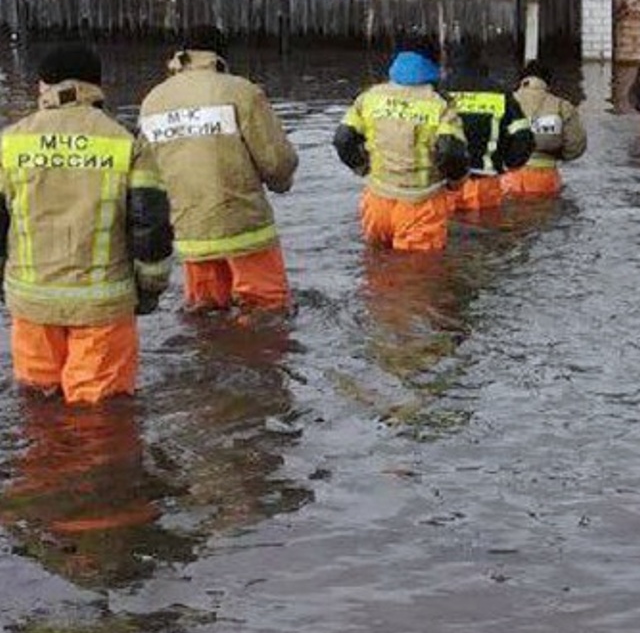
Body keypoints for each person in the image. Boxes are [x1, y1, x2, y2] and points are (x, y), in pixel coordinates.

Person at [0, 42, 173, 404]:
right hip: (103, 307)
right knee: (99, 418)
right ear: (96, 85)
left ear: (43, 86)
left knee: (38, 407)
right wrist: (151, 287)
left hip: (31, 304)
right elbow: (150, 225)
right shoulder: (125, 142)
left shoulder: (9, 143)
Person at [139, 25, 297, 315]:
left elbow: (146, 177)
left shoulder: (152, 101)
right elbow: (277, 161)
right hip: (245, 228)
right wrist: (282, 183)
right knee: (268, 312)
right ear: (220, 57)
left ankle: (212, 359)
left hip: (190, 234)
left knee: (205, 315)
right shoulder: (240, 91)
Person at [333, 40, 470, 251]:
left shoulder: (370, 97)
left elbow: (343, 139)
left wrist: (362, 168)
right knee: (416, 278)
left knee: (376, 271)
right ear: (433, 66)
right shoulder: (439, 104)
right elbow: (451, 151)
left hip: (377, 200)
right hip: (421, 204)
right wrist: (455, 182)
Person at [441, 42, 534, 211]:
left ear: (451, 63)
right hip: (485, 184)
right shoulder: (500, 93)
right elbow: (523, 138)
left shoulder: (438, 92)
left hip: (443, 186)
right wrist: (507, 165)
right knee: (487, 233)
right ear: (481, 61)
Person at [499, 60, 587, 199]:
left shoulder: (504, 101)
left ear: (521, 80)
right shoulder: (562, 106)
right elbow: (576, 146)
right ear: (548, 82)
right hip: (546, 179)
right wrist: (558, 155)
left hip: (508, 178)